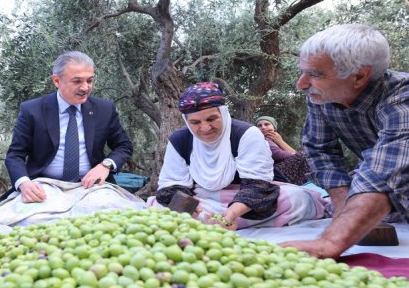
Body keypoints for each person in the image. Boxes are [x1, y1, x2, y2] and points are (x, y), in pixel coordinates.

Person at [280, 24, 409, 258]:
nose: (301, 84)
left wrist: (330, 242)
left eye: (316, 74)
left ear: (359, 76)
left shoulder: (403, 97)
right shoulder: (322, 96)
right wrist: (342, 208)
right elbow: (321, 150)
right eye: (303, 71)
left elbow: (384, 172)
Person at [156, 82, 326, 230]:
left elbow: (258, 185)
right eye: (195, 122)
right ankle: (204, 219)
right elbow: (171, 185)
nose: (205, 128)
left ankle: (207, 222)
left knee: (298, 199)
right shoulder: (179, 140)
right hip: (202, 198)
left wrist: (231, 214)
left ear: (222, 113)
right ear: (187, 121)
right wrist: (189, 208)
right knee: (157, 205)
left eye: (212, 119)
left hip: (246, 200)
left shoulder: (246, 134)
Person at [1, 50, 133, 204]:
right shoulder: (32, 110)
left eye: (89, 81)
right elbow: (15, 155)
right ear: (57, 81)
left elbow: (124, 146)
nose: (85, 88)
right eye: (77, 81)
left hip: (92, 187)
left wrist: (106, 165)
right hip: (44, 186)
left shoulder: (104, 109)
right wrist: (24, 183)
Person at [255, 115, 310, 185]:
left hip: (274, 171)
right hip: (269, 173)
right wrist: (281, 142)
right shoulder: (261, 140)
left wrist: (280, 142)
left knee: (303, 157)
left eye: (266, 124)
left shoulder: (274, 141)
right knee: (303, 156)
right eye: (259, 126)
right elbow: (277, 154)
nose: (263, 127)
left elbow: (294, 154)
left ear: (274, 128)